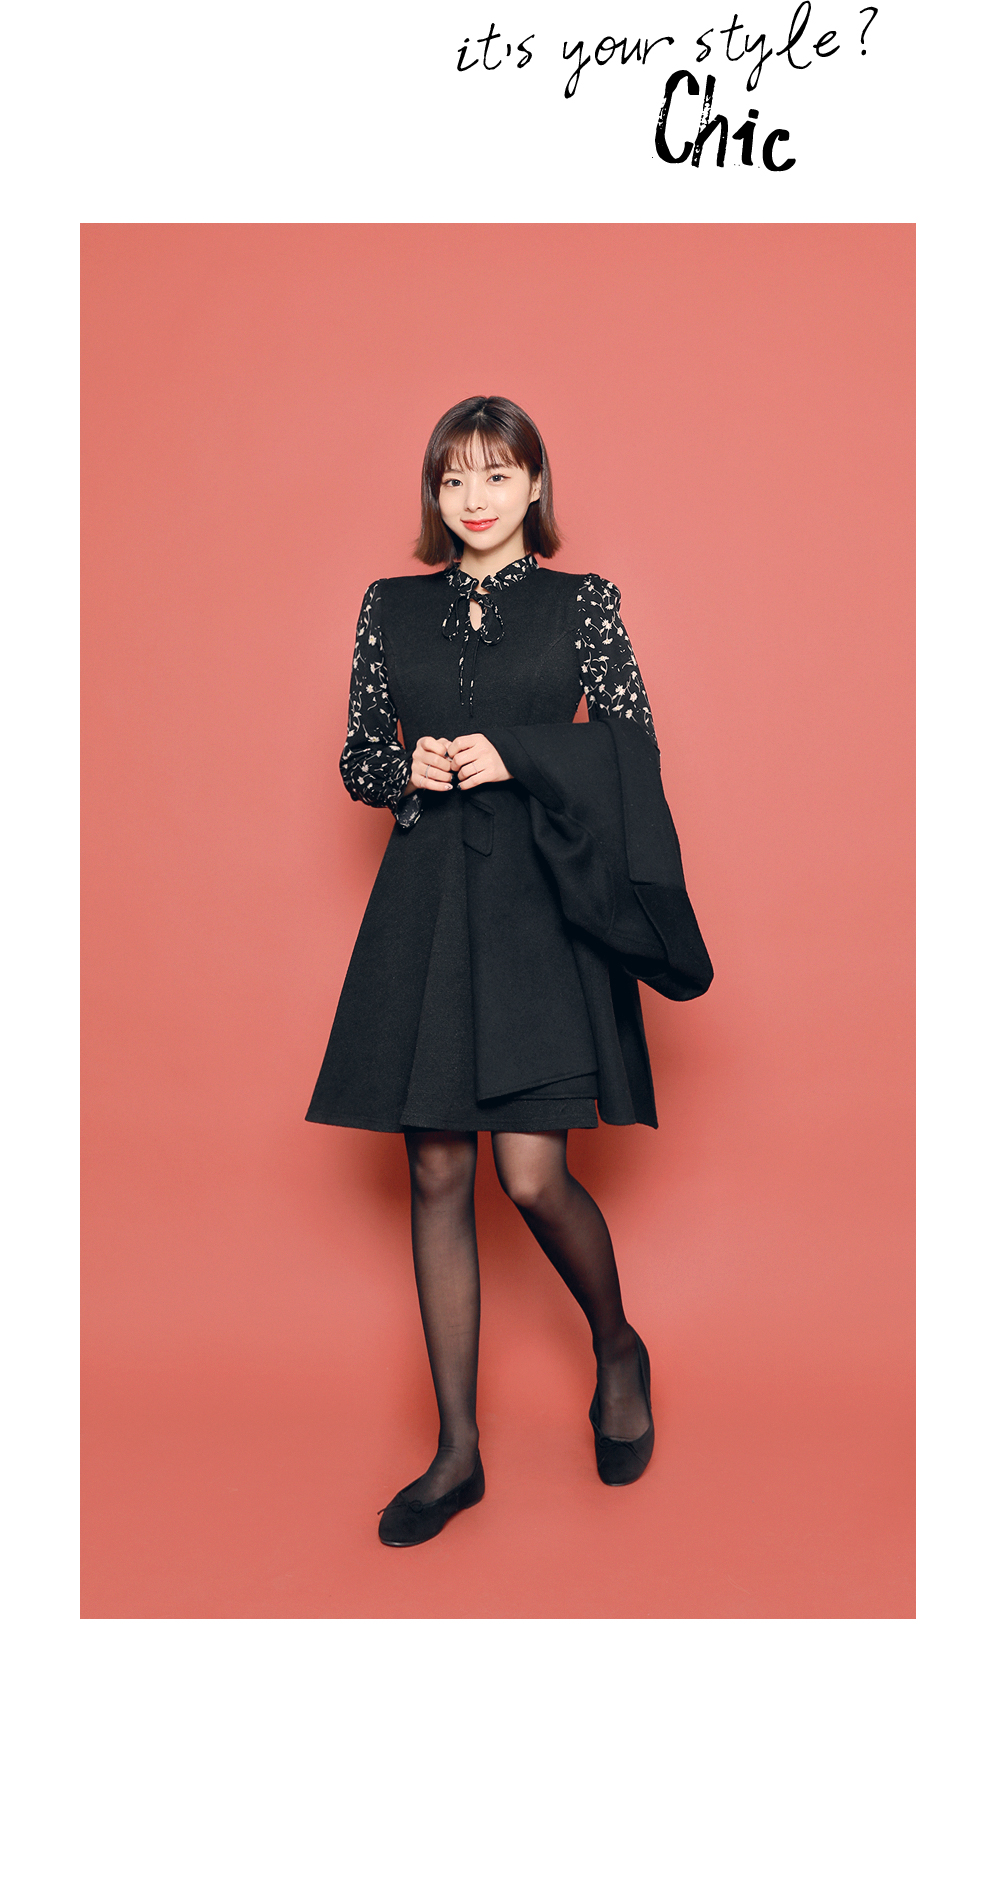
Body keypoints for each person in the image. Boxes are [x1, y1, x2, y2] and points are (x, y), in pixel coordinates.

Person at [306, 395, 712, 1547]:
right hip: (426, 906)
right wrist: (406, 768)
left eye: (495, 474)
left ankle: (616, 1345)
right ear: (434, 495)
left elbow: (631, 748)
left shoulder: (583, 604)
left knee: (530, 1176)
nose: (473, 498)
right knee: (437, 1169)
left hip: (537, 912)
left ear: (534, 485)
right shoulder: (388, 607)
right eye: (453, 478)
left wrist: (516, 755)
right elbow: (356, 753)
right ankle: (456, 1451)